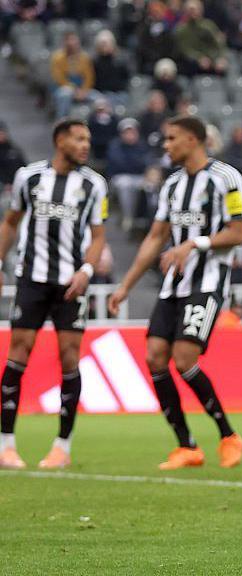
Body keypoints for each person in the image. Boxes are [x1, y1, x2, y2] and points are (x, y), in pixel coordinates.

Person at [108, 116, 242, 469]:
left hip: (208, 282)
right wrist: (126, 285)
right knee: (155, 357)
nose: (166, 146)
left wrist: (194, 244)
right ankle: (187, 446)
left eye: (171, 139)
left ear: (192, 139)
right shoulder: (171, 185)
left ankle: (229, 436)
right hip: (174, 286)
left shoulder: (227, 178)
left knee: (184, 359)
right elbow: (156, 236)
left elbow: (237, 233)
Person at [0, 119, 108, 470]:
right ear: (60, 140)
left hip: (70, 283)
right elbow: (11, 222)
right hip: (31, 278)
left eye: (87, 140)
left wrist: (87, 270)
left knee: (69, 356)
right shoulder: (28, 177)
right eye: (79, 139)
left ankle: (62, 446)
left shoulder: (94, 185)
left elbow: (98, 236)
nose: (85, 145)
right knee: (19, 352)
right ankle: (6, 445)